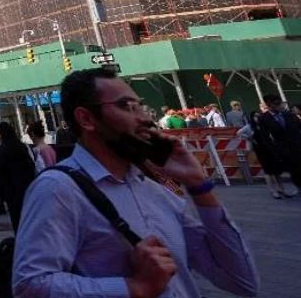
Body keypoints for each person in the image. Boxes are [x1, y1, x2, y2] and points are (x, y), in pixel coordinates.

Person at [13, 67, 259, 298]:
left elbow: (242, 281)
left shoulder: (155, 190)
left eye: (140, 106)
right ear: (86, 119)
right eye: (126, 106)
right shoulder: (57, 189)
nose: (144, 118)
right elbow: (30, 284)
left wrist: (198, 184)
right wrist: (132, 288)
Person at [0, 122, 36, 231]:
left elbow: (0, 171)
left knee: (17, 219)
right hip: (27, 186)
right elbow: (30, 165)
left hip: (12, 189)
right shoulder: (21, 146)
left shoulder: (3, 150)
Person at [258, 95, 301, 192]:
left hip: (298, 145)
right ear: (269, 105)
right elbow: (265, 137)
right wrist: (274, 150)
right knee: (294, 170)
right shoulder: (264, 118)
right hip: (284, 149)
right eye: (276, 104)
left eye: (279, 103)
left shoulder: (289, 115)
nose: (279, 106)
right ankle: (299, 186)